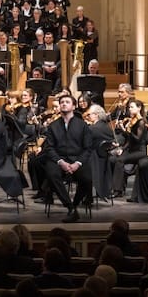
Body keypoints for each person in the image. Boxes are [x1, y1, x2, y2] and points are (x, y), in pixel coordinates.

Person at [31, 93, 91, 221]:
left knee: (87, 178)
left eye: (67, 102)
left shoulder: (82, 125)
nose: (63, 103)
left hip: (77, 159)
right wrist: (61, 162)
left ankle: (74, 205)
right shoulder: (53, 126)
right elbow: (49, 148)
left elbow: (87, 148)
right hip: (59, 159)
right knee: (52, 175)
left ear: (74, 106)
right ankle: (70, 207)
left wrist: (77, 163)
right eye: (62, 102)